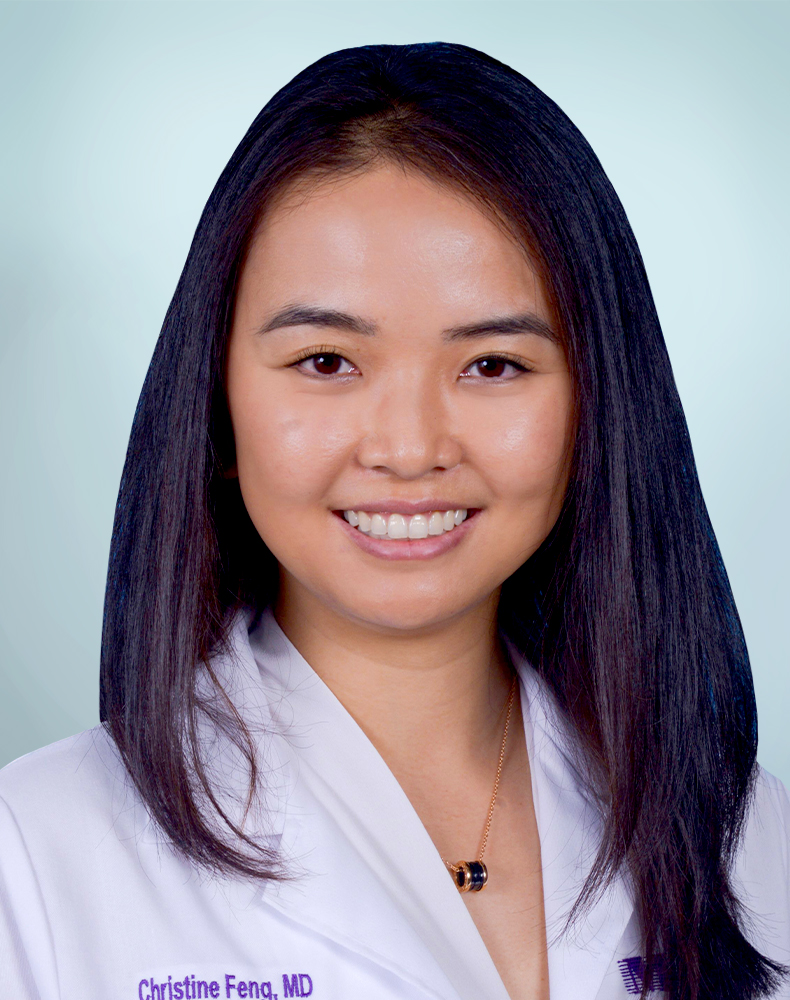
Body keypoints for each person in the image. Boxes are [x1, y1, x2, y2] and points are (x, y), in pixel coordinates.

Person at [0, 41, 787, 1000]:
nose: (410, 449)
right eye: (327, 362)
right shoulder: (34, 854)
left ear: (599, 406)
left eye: (493, 365)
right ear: (214, 399)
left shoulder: (747, 837)